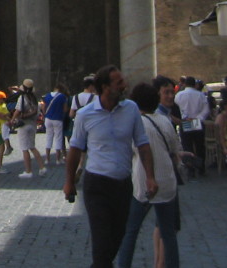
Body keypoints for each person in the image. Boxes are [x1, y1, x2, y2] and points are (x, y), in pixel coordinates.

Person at [64, 65, 158, 268]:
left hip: (123, 184)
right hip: (97, 184)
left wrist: (150, 176)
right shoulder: (85, 114)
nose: (125, 86)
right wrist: (69, 182)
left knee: (118, 236)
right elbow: (74, 149)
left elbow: (142, 144)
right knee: (101, 239)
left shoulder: (131, 109)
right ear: (105, 87)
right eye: (119, 82)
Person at [117, 82, 182, 268]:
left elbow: (130, 150)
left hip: (144, 182)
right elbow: (174, 147)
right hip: (167, 182)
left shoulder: (135, 124)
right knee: (168, 232)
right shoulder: (164, 120)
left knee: (131, 230)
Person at [13, 78, 46, 179]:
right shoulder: (35, 99)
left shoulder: (22, 98)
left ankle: (28, 171)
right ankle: (42, 167)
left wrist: (12, 120)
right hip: (33, 124)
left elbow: (17, 111)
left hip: (24, 124)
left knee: (24, 148)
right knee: (32, 147)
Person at [173, 75, 209, 163]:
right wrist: (197, 118)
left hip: (185, 121)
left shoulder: (179, 95)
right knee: (199, 145)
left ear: (185, 84)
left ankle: (190, 168)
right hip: (197, 121)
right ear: (194, 84)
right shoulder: (200, 95)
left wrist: (184, 118)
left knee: (187, 145)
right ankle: (201, 166)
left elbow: (176, 108)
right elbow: (206, 110)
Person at [42, 82, 70, 166]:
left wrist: (45, 114)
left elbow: (43, 107)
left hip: (48, 118)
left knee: (48, 138)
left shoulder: (47, 95)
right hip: (58, 119)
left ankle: (47, 159)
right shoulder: (62, 96)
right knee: (58, 138)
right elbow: (65, 109)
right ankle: (58, 159)